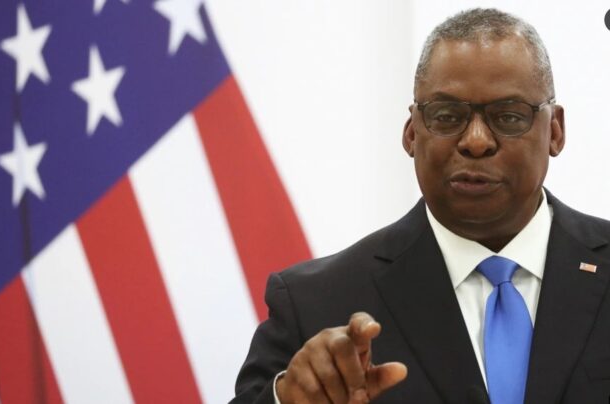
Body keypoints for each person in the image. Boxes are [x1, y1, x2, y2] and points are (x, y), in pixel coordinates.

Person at [231, 8, 610, 404]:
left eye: (508, 116)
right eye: (447, 116)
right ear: (412, 133)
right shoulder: (315, 304)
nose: (476, 141)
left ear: (555, 131)